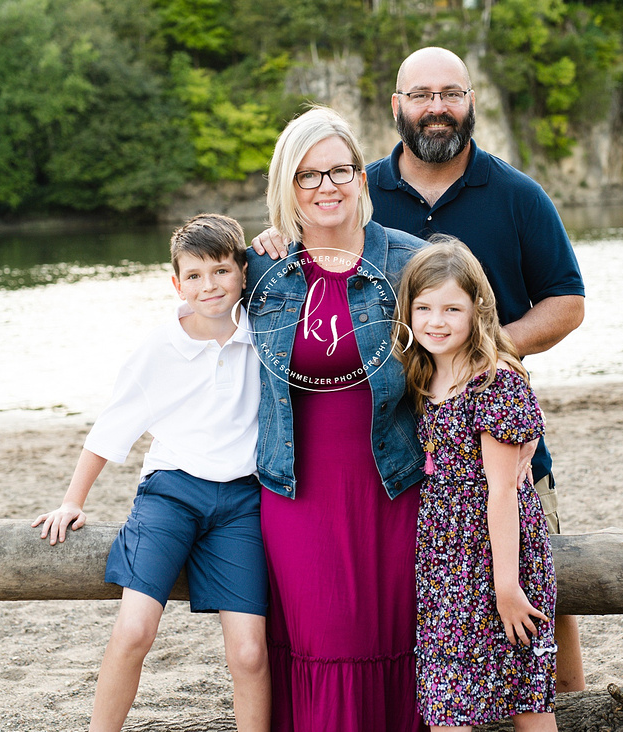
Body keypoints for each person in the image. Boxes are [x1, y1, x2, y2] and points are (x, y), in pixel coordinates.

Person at [254, 46, 587, 693]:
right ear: (397, 106)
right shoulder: (361, 188)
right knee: (436, 621)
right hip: (419, 447)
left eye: (451, 93)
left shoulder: (518, 196)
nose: (437, 107)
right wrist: (273, 237)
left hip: (500, 431)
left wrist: (476, 358)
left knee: (550, 593)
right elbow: (311, 241)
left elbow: (568, 303)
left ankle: (574, 710)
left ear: (471, 102)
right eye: (421, 95)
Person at [32, 214, 271, 732]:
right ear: (176, 283)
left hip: (241, 505)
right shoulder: (159, 348)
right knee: (136, 629)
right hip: (171, 495)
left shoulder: (265, 336)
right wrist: (74, 499)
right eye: (194, 275)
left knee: (251, 651)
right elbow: (111, 427)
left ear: (244, 273)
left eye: (221, 271)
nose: (209, 286)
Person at [242, 105, 428, 730]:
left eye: (339, 170)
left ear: (360, 177)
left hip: (393, 484)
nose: (327, 186)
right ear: (287, 188)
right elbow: (194, 343)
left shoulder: (410, 263)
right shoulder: (260, 268)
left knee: (394, 637)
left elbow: (464, 362)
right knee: (328, 638)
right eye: (308, 175)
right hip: (295, 489)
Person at [395, 238, 557, 730]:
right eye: (423, 308)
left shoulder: (493, 380)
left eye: (451, 308)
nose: (435, 321)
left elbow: (503, 491)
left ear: (477, 310)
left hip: (502, 551)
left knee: (526, 693)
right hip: (447, 554)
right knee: (448, 697)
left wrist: (506, 586)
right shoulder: (423, 372)